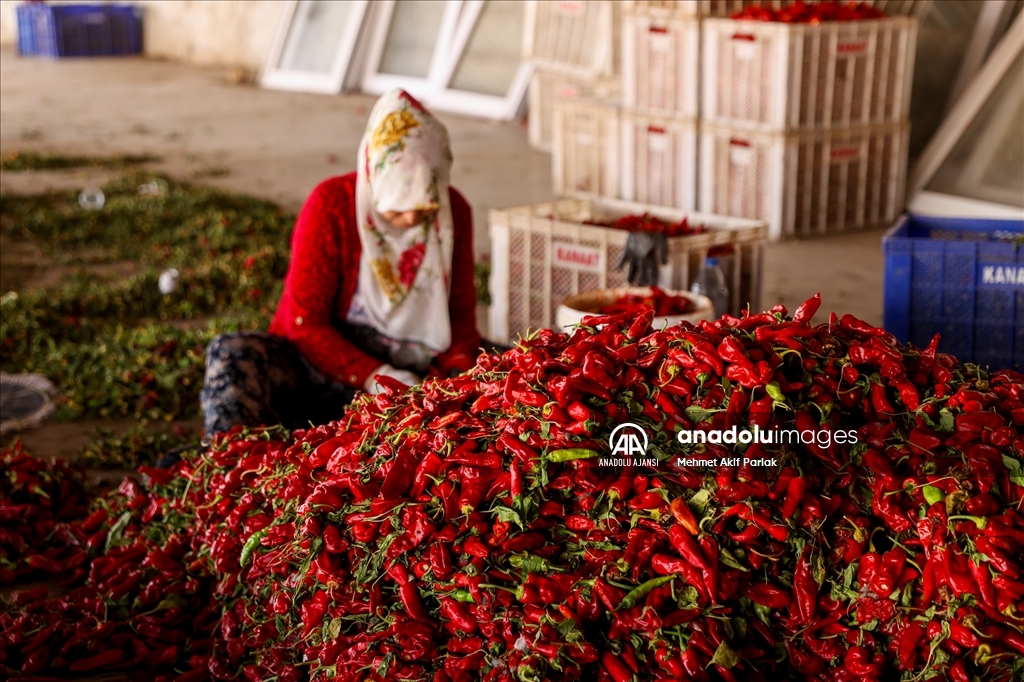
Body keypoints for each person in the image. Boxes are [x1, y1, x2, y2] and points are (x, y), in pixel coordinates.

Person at [200, 89, 481, 436]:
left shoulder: (455, 213)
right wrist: (378, 377)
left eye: (425, 209)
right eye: (397, 207)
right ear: (374, 177)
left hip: (412, 367)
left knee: (503, 370)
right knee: (232, 355)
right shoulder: (332, 205)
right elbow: (306, 325)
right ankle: (235, 462)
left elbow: (461, 315)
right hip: (318, 365)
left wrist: (458, 374)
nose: (411, 219)